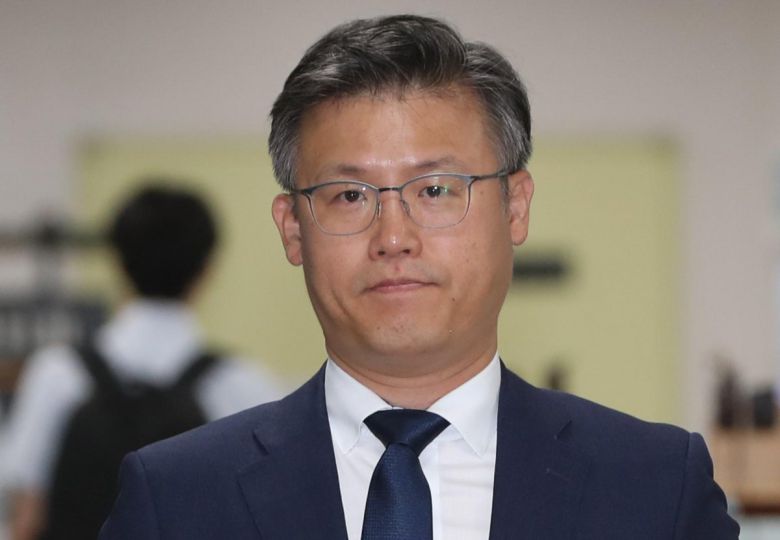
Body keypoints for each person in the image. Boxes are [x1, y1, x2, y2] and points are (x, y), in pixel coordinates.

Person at [100, 15, 739, 539]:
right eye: (349, 196)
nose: (394, 237)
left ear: (515, 207)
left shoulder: (655, 488)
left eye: (435, 189)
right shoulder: (177, 499)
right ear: (293, 229)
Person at [3, 183, 285, 540]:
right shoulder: (239, 385)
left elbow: (27, 516)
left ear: (118, 262)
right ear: (207, 269)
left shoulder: (58, 373)